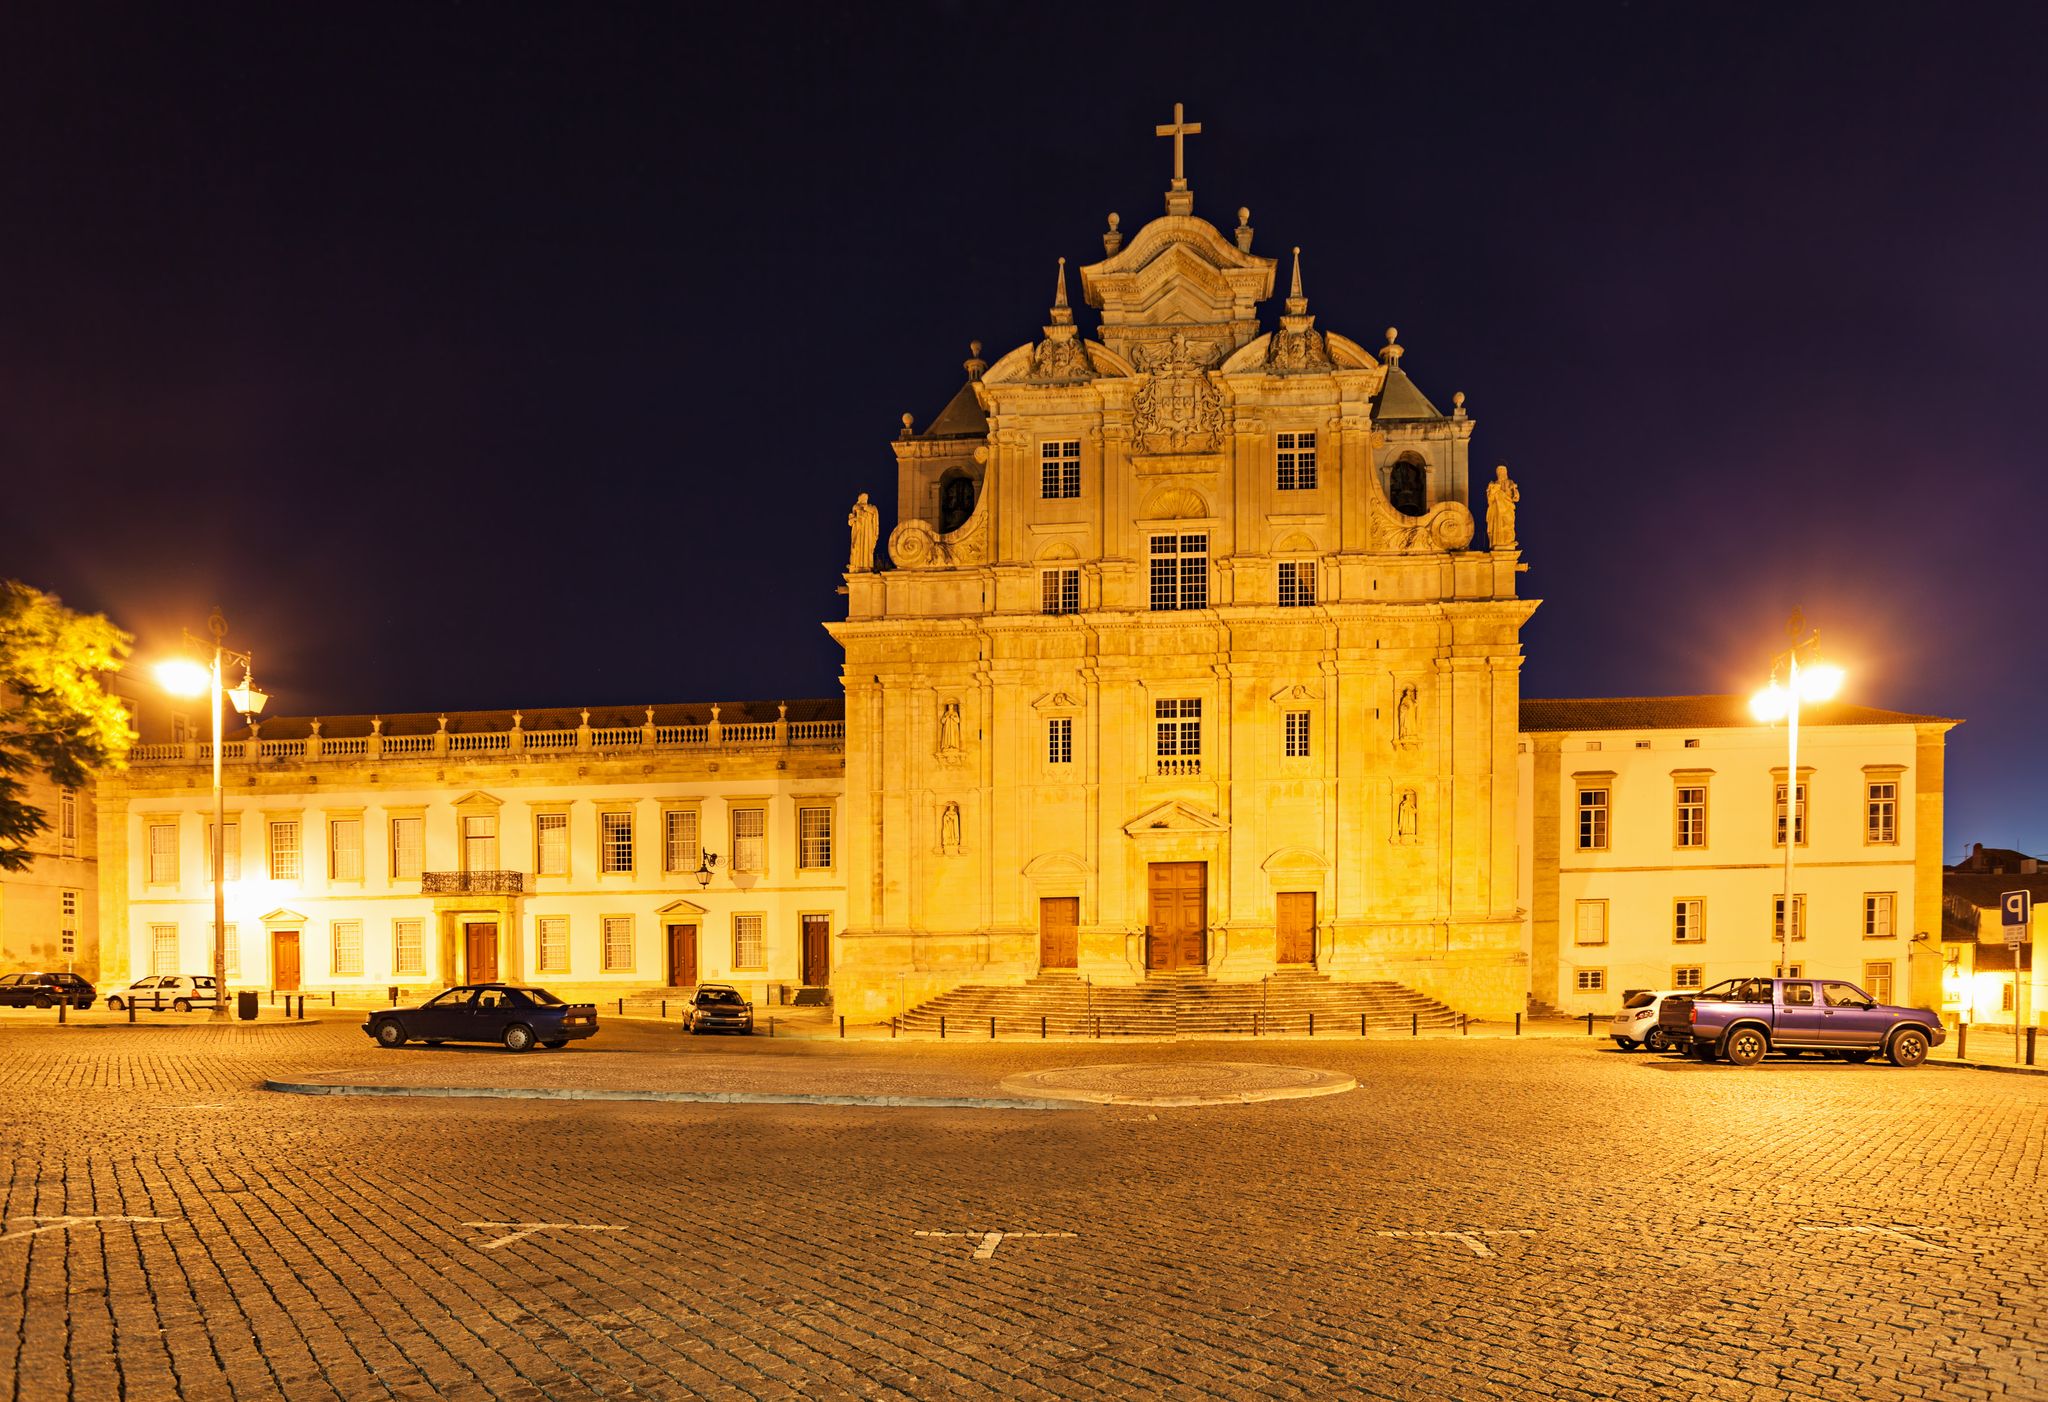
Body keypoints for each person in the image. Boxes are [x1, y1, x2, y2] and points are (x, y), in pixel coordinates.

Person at [1485, 465, 1520, 550]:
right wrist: (1493, 491)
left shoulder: (1510, 482)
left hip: (1508, 507)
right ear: (1497, 473)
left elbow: (1516, 496)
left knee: (1508, 523)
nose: (1501, 473)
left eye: (1503, 471)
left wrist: (1515, 493)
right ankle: (1498, 542)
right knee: (1498, 524)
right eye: (1499, 471)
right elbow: (1490, 499)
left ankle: (1508, 541)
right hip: (1497, 509)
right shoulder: (1493, 484)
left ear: (1506, 472)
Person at [847, 492, 880, 572]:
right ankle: (855, 565)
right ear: (860, 498)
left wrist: (865, 508)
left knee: (867, 546)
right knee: (856, 546)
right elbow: (850, 521)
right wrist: (854, 519)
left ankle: (867, 565)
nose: (865, 499)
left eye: (866, 497)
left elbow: (874, 512)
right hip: (859, 530)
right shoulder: (856, 507)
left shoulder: (871, 507)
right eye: (864, 497)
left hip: (868, 531)